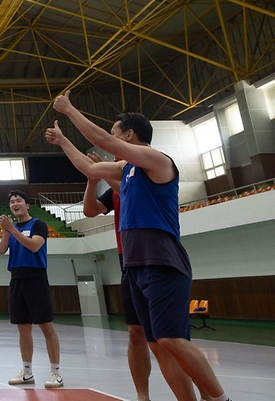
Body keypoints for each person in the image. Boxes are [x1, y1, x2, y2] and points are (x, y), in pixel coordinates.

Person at [47, 92, 232, 401]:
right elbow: (90, 170)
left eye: (116, 132)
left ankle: (221, 399)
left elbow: (107, 143)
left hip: (161, 260)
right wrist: (64, 141)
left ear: (129, 135)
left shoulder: (157, 160)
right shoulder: (127, 171)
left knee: (171, 338)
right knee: (158, 345)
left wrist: (69, 110)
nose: (112, 138)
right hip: (134, 265)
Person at [0, 190, 63, 389]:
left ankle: (56, 373)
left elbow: (34, 246)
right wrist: (6, 232)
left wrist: (13, 230)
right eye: (11, 202)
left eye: (18, 200)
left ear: (27, 205)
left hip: (35, 277)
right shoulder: (12, 227)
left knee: (46, 326)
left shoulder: (38, 224)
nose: (15, 204)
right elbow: (2, 250)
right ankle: (27, 372)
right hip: (16, 278)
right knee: (23, 328)